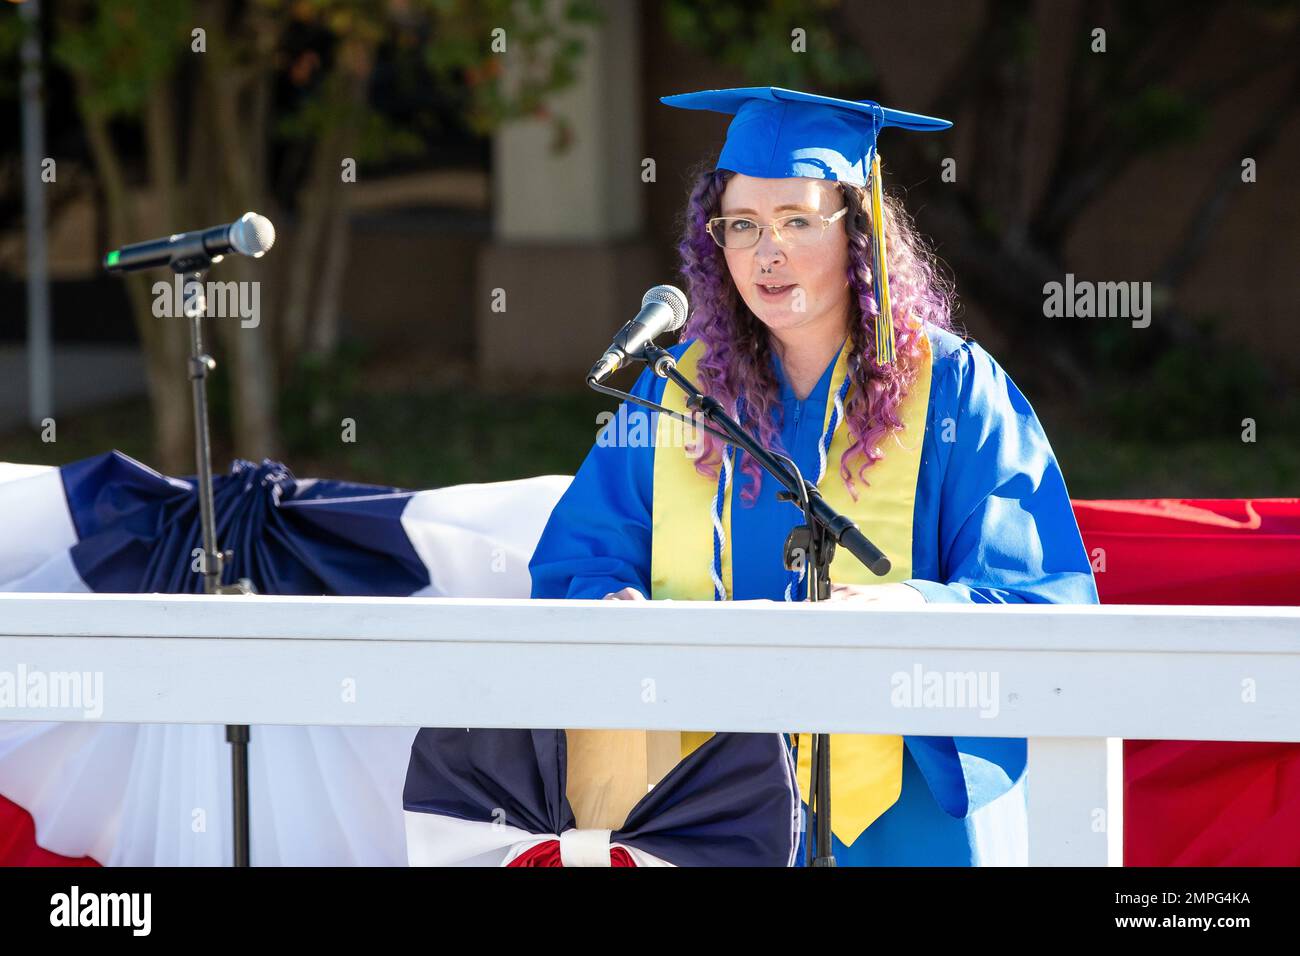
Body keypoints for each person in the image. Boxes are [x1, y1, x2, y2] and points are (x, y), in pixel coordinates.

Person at [529, 87, 1099, 865]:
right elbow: (580, 559)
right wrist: (611, 601)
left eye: (799, 221)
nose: (769, 254)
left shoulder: (955, 389)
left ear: (857, 231)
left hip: (908, 812)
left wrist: (913, 605)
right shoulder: (675, 390)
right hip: (710, 805)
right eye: (743, 226)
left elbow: (1044, 596)